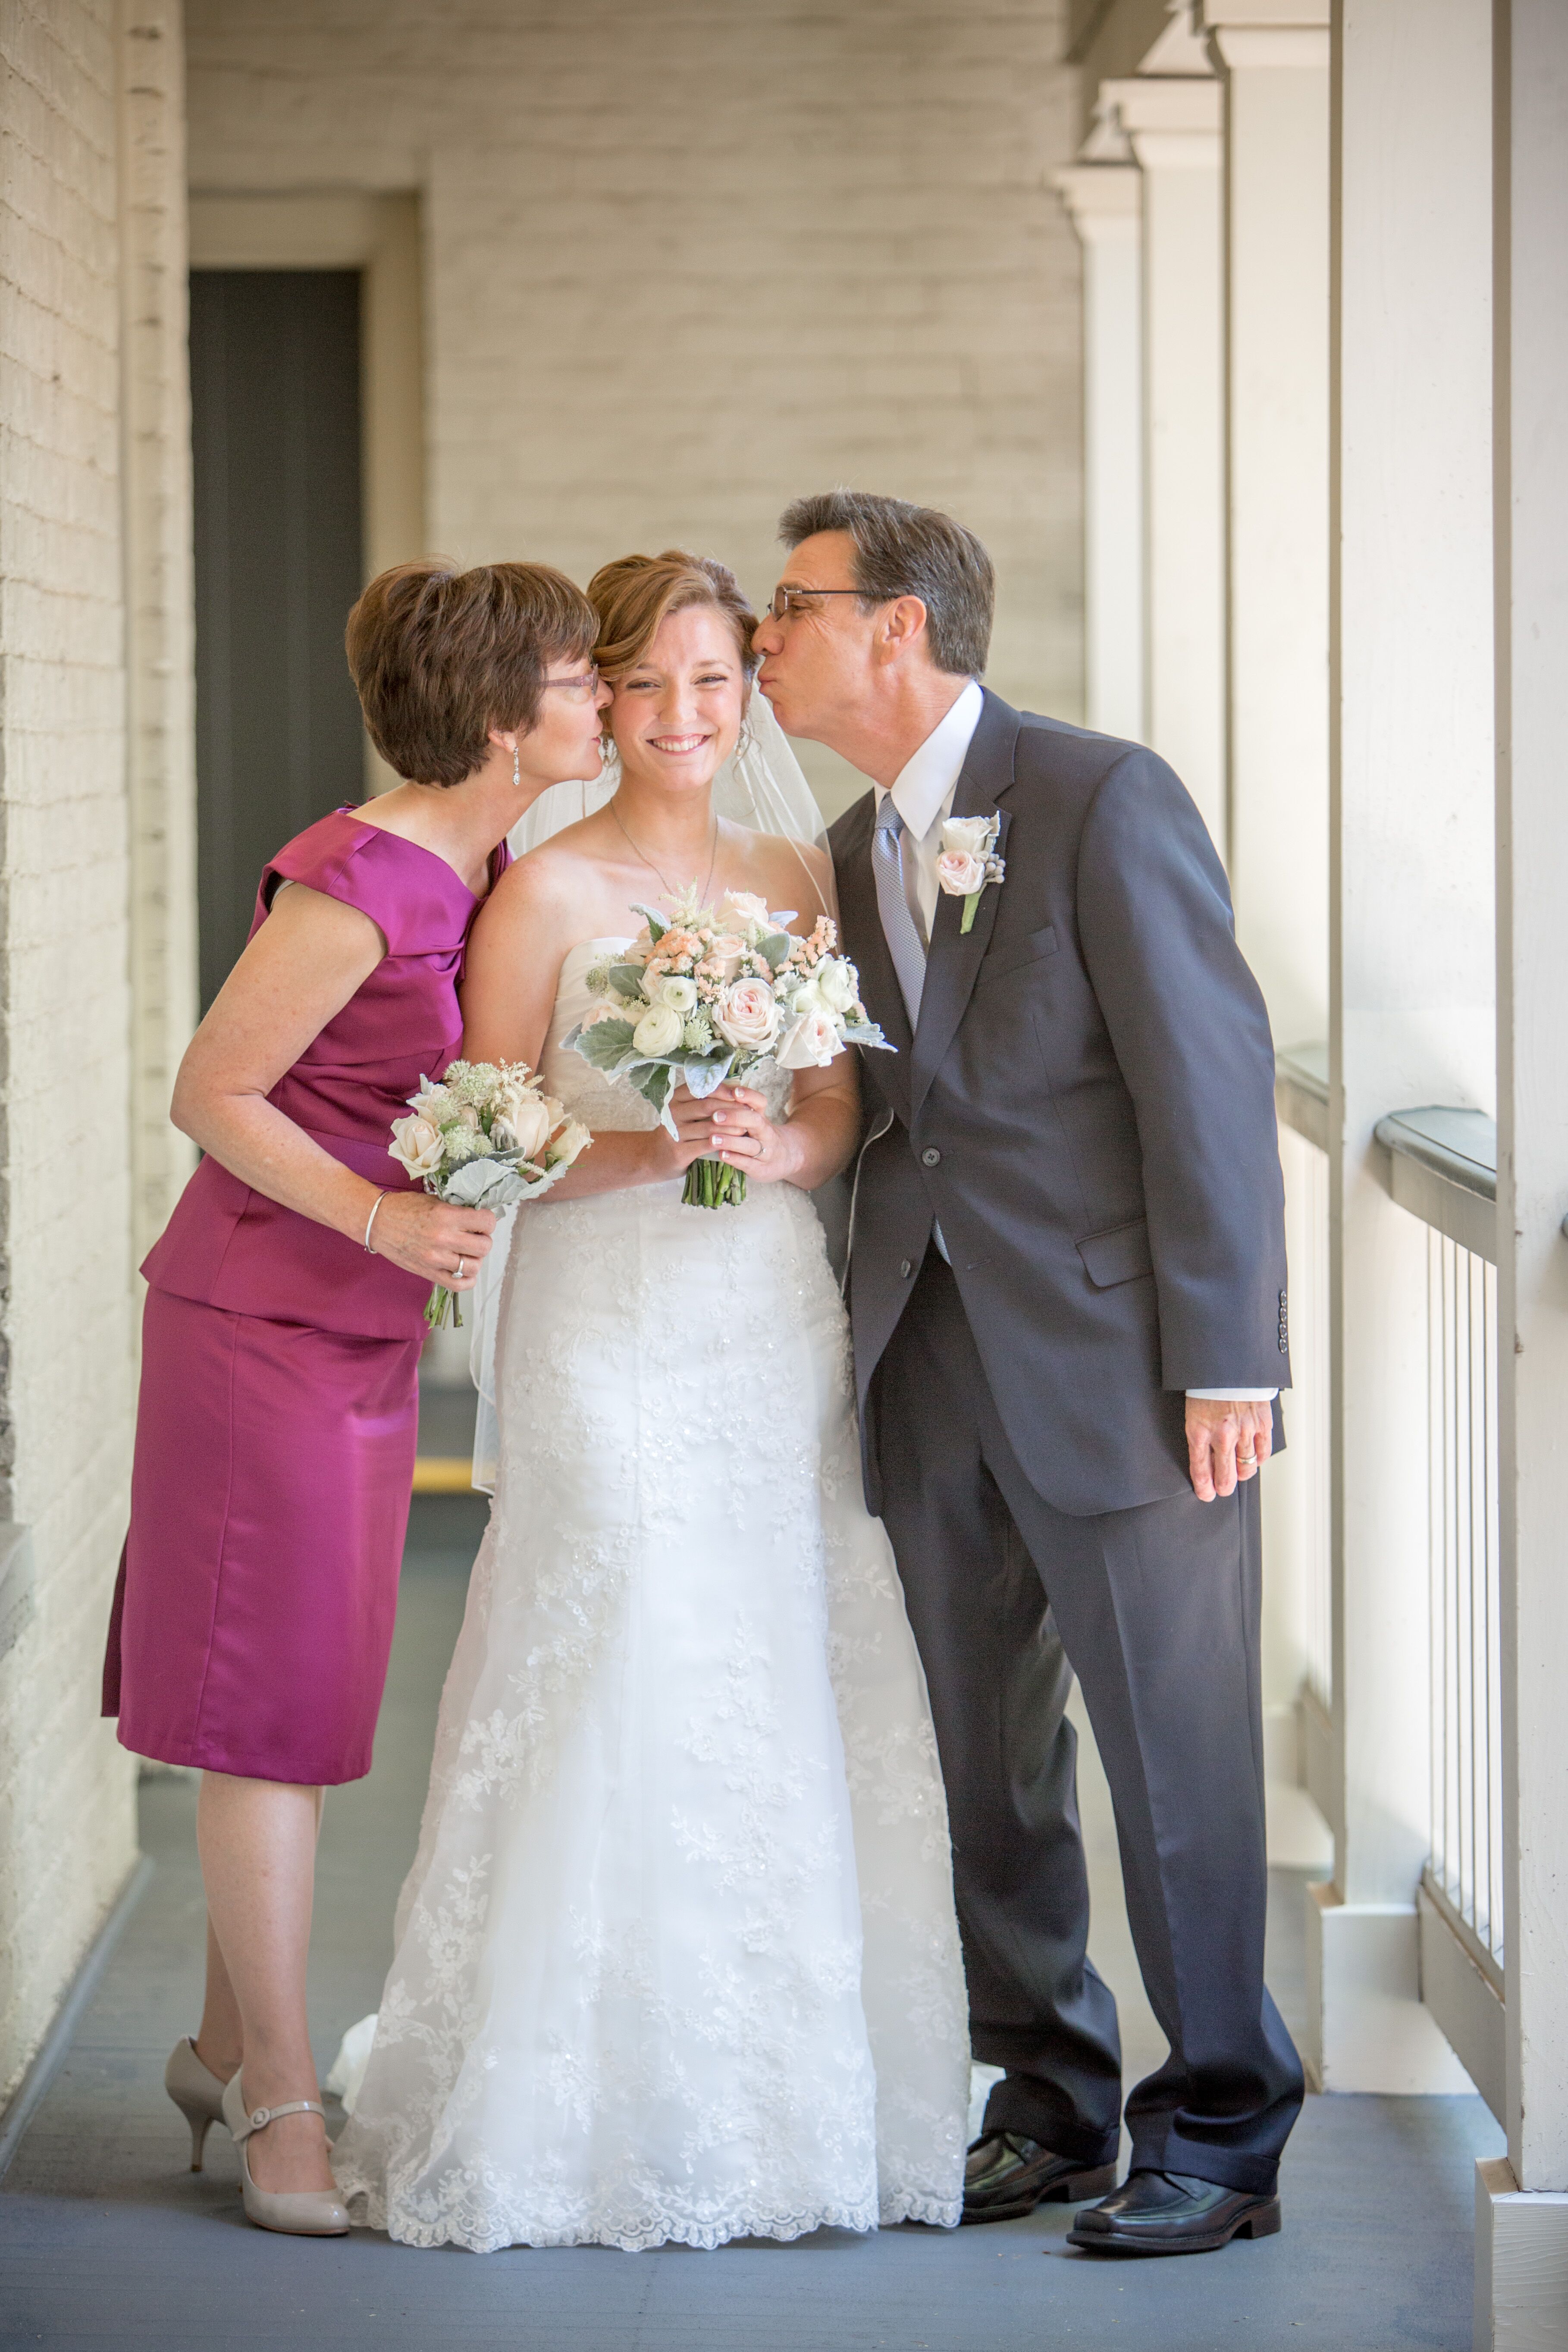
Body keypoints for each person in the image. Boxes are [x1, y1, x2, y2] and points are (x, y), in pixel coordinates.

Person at [330, 550, 969, 2253]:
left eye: (713, 681)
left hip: (760, 1312)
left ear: (744, 692)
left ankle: (770, 2091)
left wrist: (774, 1139)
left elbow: (836, 1107)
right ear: (595, 698)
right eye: (648, 684)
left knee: (765, 1653)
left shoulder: (796, 869)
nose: (686, 715)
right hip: (601, 1328)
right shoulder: (539, 890)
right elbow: (482, 1134)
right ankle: (562, 2098)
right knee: (619, 1626)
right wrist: (644, 1142)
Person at [754, 489, 1303, 2257]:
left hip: (1126, 1371)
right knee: (980, 1759)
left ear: (897, 625)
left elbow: (1207, 1083)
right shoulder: (845, 850)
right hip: (924, 1366)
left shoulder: (1098, 796)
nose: (770, 642)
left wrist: (1229, 1355)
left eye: (792, 608)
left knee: (1176, 1747)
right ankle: (1051, 2095)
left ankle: (1220, 2119)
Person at [103, 558, 608, 2236]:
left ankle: (212, 2041)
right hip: (258, 1323)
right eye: (575, 675)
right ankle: (279, 2104)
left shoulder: (493, 863)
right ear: (492, 716)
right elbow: (214, 1089)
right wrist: (388, 1216)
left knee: (309, 1700)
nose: (600, 696)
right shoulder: (360, 877)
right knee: (271, 1715)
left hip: (360, 1339)